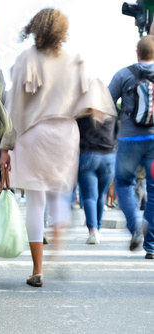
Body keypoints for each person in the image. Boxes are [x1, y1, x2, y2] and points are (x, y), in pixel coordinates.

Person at [0, 8, 116, 288]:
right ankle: (57, 249)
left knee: (36, 202)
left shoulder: (25, 59)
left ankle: (37, 267)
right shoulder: (75, 60)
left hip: (32, 134)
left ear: (35, 28)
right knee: (58, 196)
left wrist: (6, 145)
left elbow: (13, 106)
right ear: (63, 31)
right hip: (65, 133)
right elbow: (97, 95)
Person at [108, 35, 154, 259]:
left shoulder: (123, 74)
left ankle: (135, 226)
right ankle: (152, 247)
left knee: (125, 184)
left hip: (128, 139)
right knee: (153, 190)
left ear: (137, 52)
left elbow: (106, 101)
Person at [76, 115, 117, 244]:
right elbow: (117, 133)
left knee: (89, 196)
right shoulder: (111, 114)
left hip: (87, 155)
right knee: (101, 195)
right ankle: (98, 229)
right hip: (108, 156)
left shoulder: (81, 114)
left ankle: (93, 231)